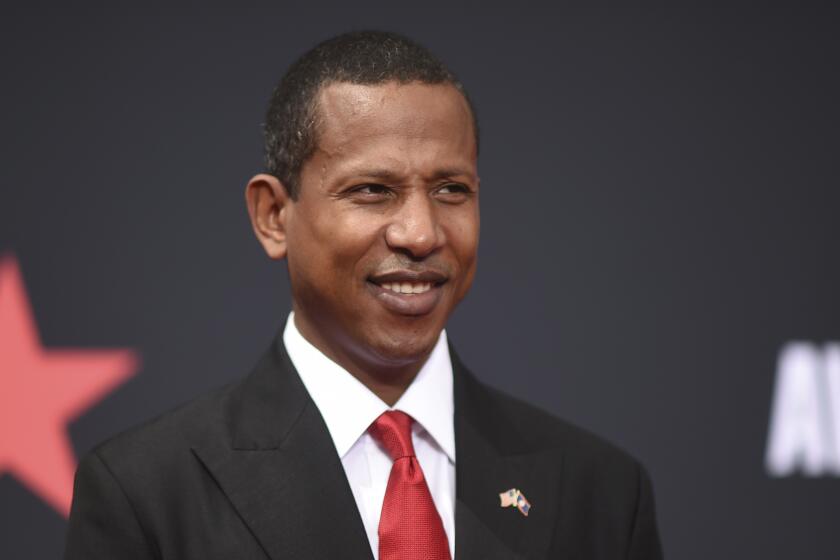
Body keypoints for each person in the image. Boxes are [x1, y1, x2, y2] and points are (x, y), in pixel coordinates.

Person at [64, 31, 663, 560]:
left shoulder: (603, 492)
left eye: (451, 189)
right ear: (273, 215)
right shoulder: (145, 493)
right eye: (374, 190)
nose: (422, 233)